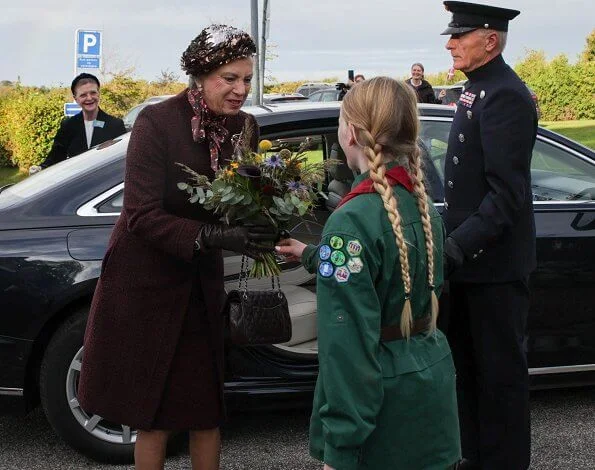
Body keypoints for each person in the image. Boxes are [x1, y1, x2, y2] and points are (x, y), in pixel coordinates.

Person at [77, 25, 277, 470]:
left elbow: (245, 195)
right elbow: (141, 215)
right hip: (146, 284)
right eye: (229, 78)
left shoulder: (246, 126)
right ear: (201, 75)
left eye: (246, 78)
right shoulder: (157, 122)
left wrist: (261, 221)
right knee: (156, 415)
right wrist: (214, 237)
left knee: (207, 409)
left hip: (200, 287)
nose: (240, 90)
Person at [276, 77, 460, 470]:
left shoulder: (350, 222)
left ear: (352, 133)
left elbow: (348, 349)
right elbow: (387, 268)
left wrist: (340, 448)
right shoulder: (421, 204)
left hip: (382, 409)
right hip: (429, 387)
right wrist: (313, 255)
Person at [440, 2, 538, 469]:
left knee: (500, 384)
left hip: (493, 266)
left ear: (490, 40)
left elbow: (505, 194)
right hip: (470, 265)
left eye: (460, 35)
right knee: (469, 376)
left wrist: (457, 246)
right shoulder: (477, 89)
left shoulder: (506, 95)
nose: (450, 43)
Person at [29, 73, 126, 174]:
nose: (89, 98)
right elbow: (56, 156)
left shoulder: (115, 125)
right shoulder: (68, 126)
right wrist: (40, 168)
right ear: (76, 99)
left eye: (93, 93)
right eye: (83, 95)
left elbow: (123, 160)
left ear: (98, 94)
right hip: (77, 183)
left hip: (105, 184)